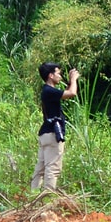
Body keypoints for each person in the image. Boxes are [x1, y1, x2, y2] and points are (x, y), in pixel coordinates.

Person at [32, 62, 78, 193]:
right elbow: (72, 93)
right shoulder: (49, 90)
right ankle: (47, 198)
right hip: (53, 134)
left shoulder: (47, 91)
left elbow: (66, 93)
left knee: (40, 168)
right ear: (51, 75)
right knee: (53, 167)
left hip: (45, 134)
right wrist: (74, 79)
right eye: (58, 73)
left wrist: (70, 81)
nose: (60, 76)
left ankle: (33, 195)